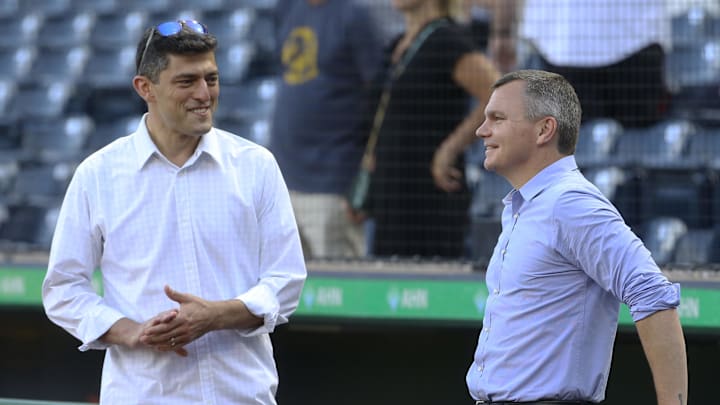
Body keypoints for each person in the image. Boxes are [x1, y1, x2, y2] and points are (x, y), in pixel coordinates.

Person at [41, 20, 306, 404]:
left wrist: (218, 315)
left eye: (211, 79)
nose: (204, 94)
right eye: (187, 81)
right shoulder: (97, 175)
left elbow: (287, 280)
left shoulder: (256, 165)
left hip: (241, 395)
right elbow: (63, 289)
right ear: (144, 88)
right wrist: (129, 331)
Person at [466, 70, 688, 404]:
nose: (482, 131)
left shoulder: (570, 202)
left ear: (544, 129)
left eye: (497, 118)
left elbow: (651, 292)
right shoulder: (523, 205)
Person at [363, 0, 499, 258]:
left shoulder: (447, 39)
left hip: (431, 195)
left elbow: (497, 93)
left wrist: (450, 148)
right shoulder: (398, 43)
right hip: (392, 192)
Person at [269, 0, 390, 258]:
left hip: (333, 182)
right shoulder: (288, 9)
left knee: (340, 287)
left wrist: (362, 178)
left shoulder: (355, 17)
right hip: (284, 179)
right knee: (288, 286)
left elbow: (380, 98)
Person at [478, 0, 671, 128]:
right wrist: (502, 31)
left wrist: (502, 31)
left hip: (634, 41)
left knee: (641, 152)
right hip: (558, 43)